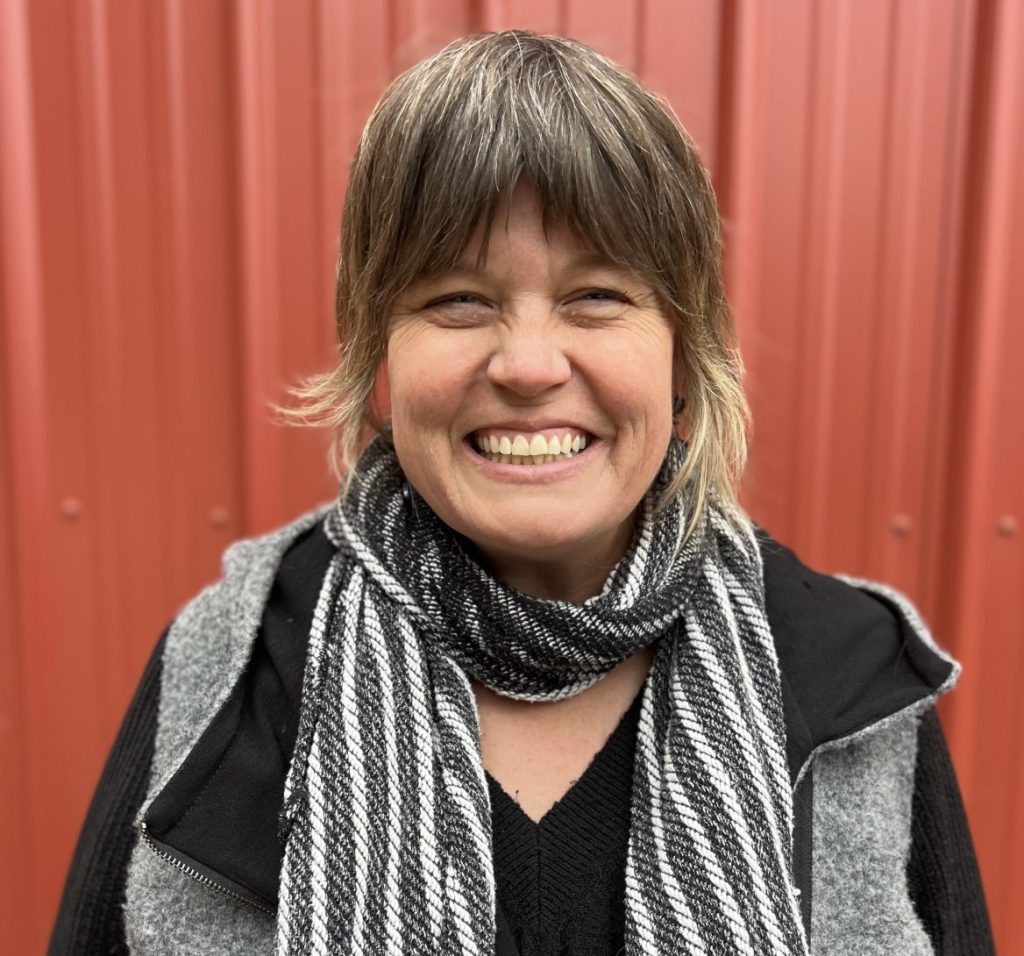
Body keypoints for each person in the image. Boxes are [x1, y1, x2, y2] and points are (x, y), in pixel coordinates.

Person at [51, 30, 992, 956]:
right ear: (380, 348)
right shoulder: (231, 659)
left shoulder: (849, 674)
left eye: (597, 297)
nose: (529, 365)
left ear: (682, 351)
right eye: (458, 299)